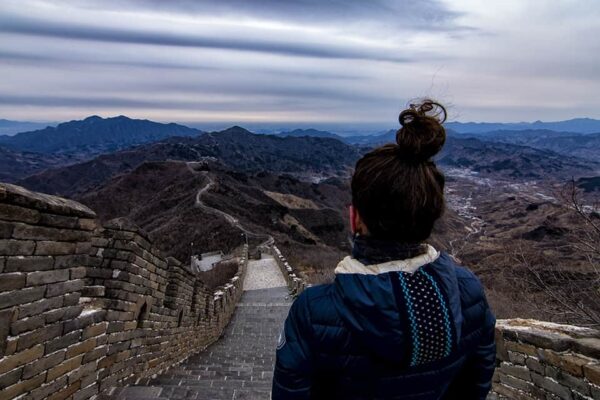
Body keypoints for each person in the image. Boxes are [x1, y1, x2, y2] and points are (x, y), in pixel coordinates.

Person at [271, 100, 496, 399]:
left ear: (355, 218)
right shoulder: (469, 292)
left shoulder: (314, 312)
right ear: (430, 216)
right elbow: (475, 388)